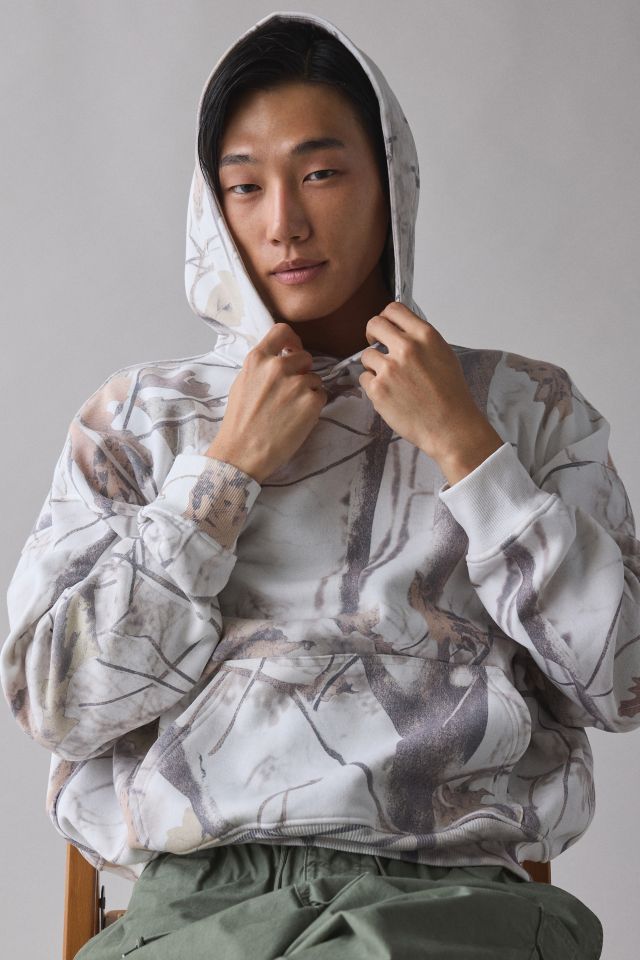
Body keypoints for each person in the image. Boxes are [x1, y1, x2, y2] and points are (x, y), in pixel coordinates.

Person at [2, 10, 638, 958]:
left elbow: (621, 682)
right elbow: (56, 701)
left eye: (321, 174)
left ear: (391, 183)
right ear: (214, 208)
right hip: (202, 901)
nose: (283, 224)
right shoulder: (141, 420)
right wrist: (222, 477)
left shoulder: (524, 405)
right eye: (245, 186)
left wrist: (469, 449)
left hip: (453, 898)